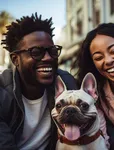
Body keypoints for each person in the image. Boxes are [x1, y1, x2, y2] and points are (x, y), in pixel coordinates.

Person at [0, 13, 77, 150]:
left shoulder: (66, 84)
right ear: (15, 60)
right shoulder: (3, 93)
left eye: (52, 51)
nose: (47, 58)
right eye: (36, 52)